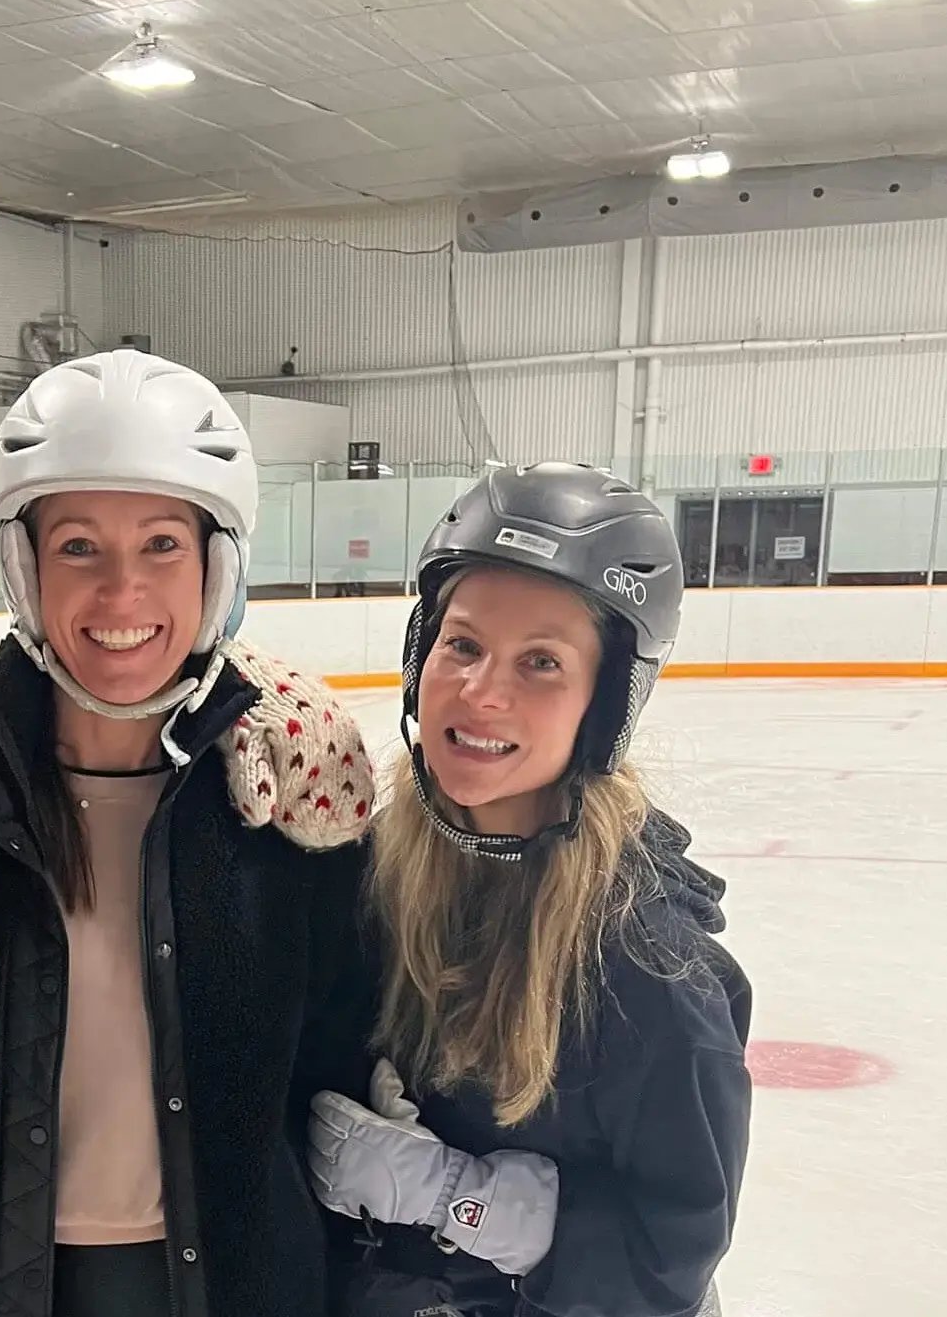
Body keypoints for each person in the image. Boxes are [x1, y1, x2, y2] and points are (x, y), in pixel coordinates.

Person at [0, 348, 378, 1317]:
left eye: (161, 545)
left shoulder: (284, 804)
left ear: (216, 561)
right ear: (26, 565)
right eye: (78, 547)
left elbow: (338, 1071)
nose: (121, 592)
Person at [305, 463, 753, 1317]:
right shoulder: (370, 875)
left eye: (541, 662)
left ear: (602, 704)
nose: (481, 693)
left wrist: (460, 1200)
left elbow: (669, 1262)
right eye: (462, 644)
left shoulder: (648, 970)